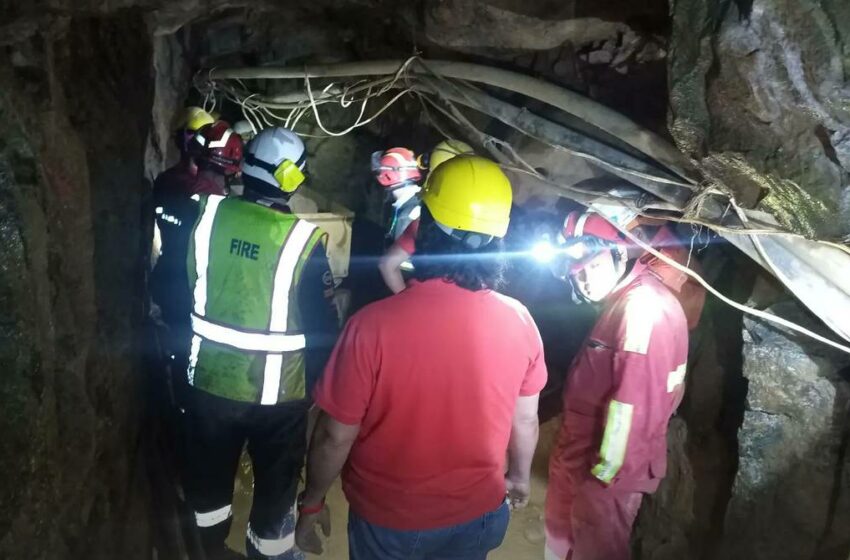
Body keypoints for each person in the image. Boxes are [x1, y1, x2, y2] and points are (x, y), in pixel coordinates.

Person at [295, 155, 548, 559]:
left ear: (425, 226)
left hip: (390, 521)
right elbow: (525, 419)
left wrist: (312, 502)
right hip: (479, 514)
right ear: (498, 241)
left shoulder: (371, 326)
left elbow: (334, 435)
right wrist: (518, 478)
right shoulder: (520, 321)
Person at [182, 126, 338, 560]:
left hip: (208, 383)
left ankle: (204, 550)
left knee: (207, 484)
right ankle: (268, 554)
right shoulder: (302, 241)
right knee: (275, 492)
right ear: (293, 178)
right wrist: (316, 390)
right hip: (278, 398)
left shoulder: (206, 216)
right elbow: (325, 328)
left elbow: (182, 289)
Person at [543, 210, 691, 560]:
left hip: (603, 477)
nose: (586, 282)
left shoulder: (642, 310)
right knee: (561, 542)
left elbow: (633, 410)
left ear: (619, 253)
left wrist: (603, 480)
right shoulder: (625, 301)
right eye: (577, 275)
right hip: (581, 460)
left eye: (593, 267)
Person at [377, 139, 475, 293]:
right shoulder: (472, 221)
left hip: (415, 286)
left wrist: (405, 300)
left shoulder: (421, 216)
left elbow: (387, 265)